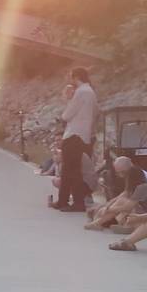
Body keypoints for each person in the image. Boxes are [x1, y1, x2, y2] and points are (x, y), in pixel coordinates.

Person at [53, 68, 98, 212]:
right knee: (71, 169)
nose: (69, 79)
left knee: (71, 170)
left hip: (74, 134)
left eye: (71, 76)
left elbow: (67, 115)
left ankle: (76, 202)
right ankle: (63, 200)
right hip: (83, 135)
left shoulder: (81, 92)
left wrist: (68, 99)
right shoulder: (91, 92)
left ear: (76, 77)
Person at [86, 158, 147, 231]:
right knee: (121, 202)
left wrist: (108, 209)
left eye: (123, 173)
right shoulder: (140, 185)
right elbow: (124, 194)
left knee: (124, 204)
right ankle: (99, 222)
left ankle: (121, 224)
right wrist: (107, 206)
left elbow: (127, 207)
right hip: (146, 210)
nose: (121, 175)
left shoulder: (143, 187)